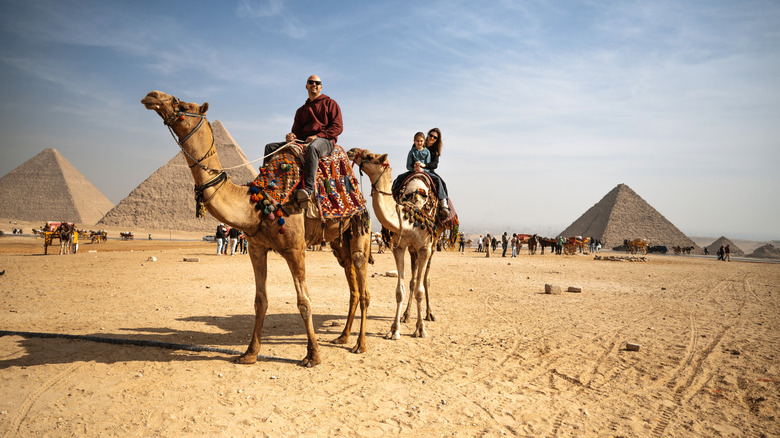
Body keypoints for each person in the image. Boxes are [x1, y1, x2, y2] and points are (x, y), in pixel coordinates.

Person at [264, 74, 342, 205]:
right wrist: (291, 136)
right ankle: (267, 183)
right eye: (311, 82)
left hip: (325, 140)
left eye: (317, 83)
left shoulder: (330, 104)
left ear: (321, 87)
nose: (314, 85)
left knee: (313, 148)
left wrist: (318, 136)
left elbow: (338, 127)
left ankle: (308, 189)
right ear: (306, 86)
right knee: (270, 147)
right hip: (303, 140)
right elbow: (296, 132)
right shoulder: (301, 110)